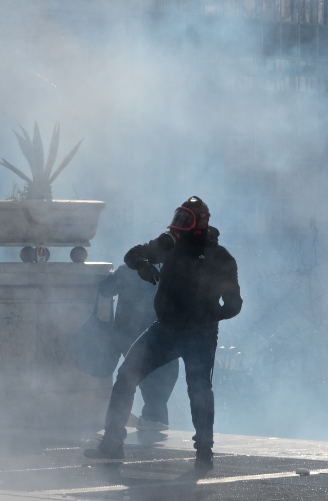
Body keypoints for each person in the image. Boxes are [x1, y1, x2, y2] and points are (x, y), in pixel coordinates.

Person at [85, 197, 241, 472]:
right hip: (165, 330)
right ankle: (111, 444)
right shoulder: (171, 245)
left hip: (199, 334)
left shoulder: (221, 259)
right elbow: (133, 255)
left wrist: (210, 316)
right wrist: (144, 265)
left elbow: (234, 304)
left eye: (186, 220)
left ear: (201, 223)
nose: (180, 225)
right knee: (126, 377)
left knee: (199, 390)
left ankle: (204, 451)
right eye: (179, 218)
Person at [99, 262, 180, 431]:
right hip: (166, 332)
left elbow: (105, 289)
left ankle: (129, 425)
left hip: (132, 334)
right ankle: (155, 418)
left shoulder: (129, 269)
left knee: (131, 379)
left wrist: (111, 275)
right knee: (162, 376)